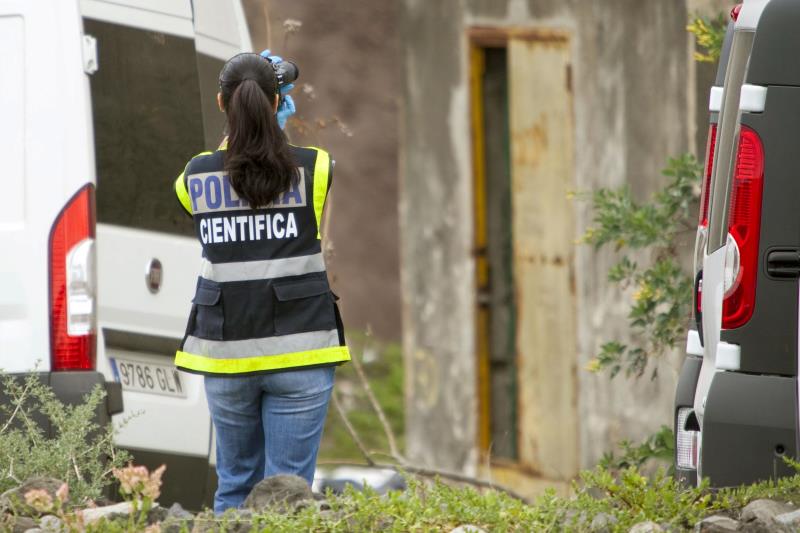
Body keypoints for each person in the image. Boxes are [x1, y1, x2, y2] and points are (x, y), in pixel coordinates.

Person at [172, 51, 351, 513]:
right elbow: (274, 173)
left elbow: (232, 173)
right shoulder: (316, 168)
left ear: (221, 104)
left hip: (228, 355)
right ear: (277, 104)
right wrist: (278, 130)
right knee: (287, 496)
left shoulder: (193, 176)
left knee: (234, 488)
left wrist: (245, 131)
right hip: (302, 352)